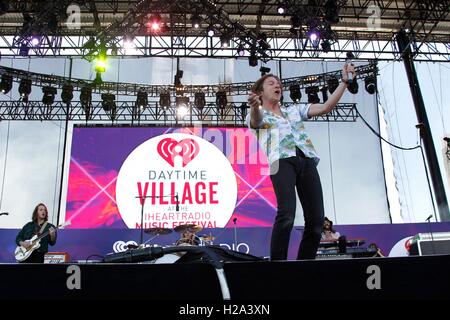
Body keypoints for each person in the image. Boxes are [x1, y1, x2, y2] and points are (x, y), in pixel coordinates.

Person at [247, 63, 355, 260]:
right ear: (260, 92)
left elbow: (326, 107)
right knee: (286, 215)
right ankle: (278, 265)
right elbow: (255, 122)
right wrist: (255, 106)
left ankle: (304, 264)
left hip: (306, 161)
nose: (277, 85)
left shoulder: (294, 110)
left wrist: (344, 83)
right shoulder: (258, 113)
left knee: (315, 221)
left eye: (278, 83)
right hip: (282, 162)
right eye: (271, 83)